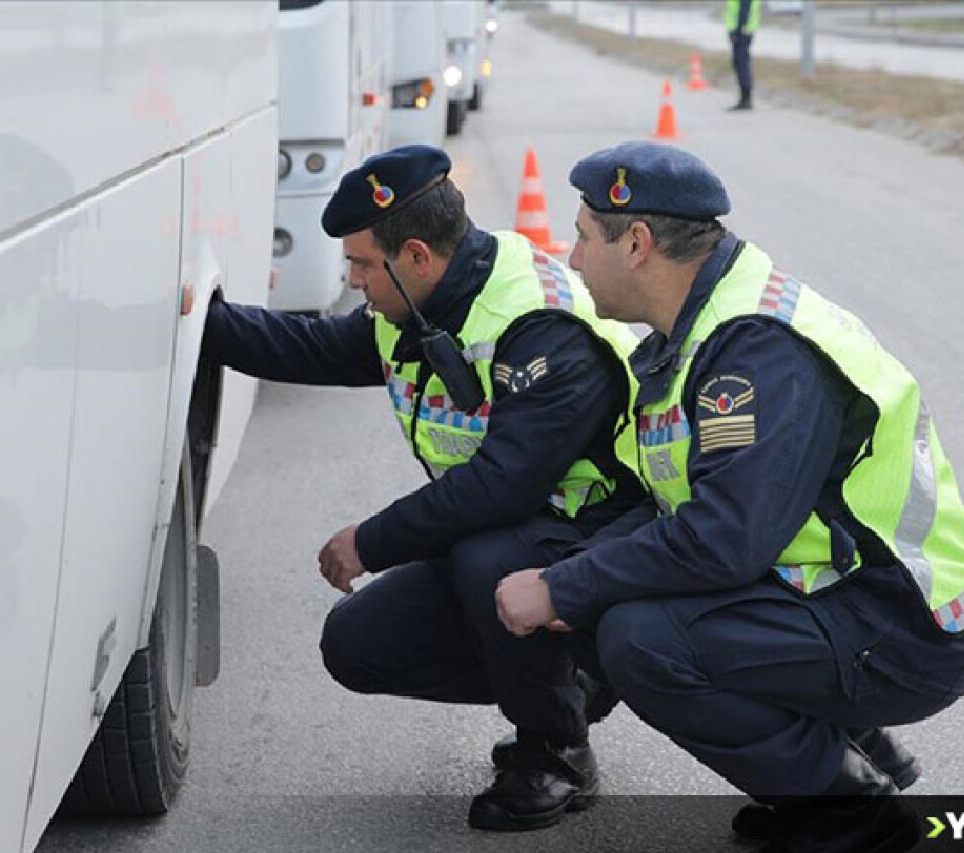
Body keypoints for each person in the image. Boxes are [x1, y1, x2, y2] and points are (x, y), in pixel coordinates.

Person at [495, 141, 964, 853]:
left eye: (581, 237)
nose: (572, 259)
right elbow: (684, 502)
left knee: (642, 638)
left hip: (909, 621)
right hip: (851, 592)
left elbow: (724, 536)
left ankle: (852, 810)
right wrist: (573, 568)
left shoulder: (753, 350)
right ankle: (845, 759)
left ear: (636, 243)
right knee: (611, 591)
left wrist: (563, 585)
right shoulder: (706, 324)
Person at [204, 145, 647, 831]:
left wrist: (368, 541)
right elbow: (310, 348)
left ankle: (556, 745)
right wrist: (197, 320)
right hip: (521, 541)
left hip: (607, 543)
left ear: (416, 256)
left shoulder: (541, 329)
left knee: (487, 558)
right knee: (358, 643)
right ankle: (562, 683)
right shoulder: (418, 306)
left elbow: (500, 486)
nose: (352, 281)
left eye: (361, 264)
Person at [726, 0, 760, 111]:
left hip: (742, 32)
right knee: (740, 63)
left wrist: (737, 31)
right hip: (744, 31)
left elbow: (744, 10)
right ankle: (744, 98)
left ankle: (746, 99)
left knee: (741, 64)